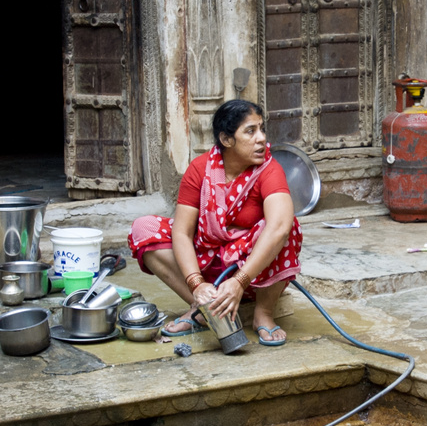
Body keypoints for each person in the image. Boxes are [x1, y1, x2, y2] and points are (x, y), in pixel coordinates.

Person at [128, 99, 302, 346]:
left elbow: (280, 226)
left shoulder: (269, 169)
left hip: (251, 273)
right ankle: (201, 307)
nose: (262, 138)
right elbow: (181, 233)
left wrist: (239, 281)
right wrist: (196, 284)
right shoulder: (200, 169)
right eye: (250, 131)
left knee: (287, 225)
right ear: (226, 139)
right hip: (206, 267)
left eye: (262, 129)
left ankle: (263, 313)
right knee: (143, 228)